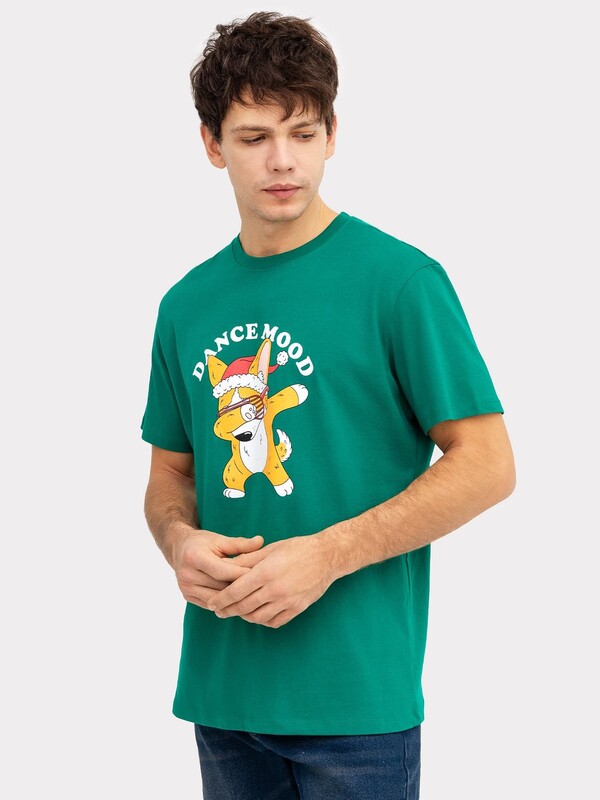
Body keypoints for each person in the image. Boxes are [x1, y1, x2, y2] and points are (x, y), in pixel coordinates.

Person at [140, 10, 516, 800]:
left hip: (356, 705)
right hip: (223, 694)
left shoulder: (400, 283)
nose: (283, 161)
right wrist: (177, 541)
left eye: (303, 133)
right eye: (254, 137)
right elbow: (170, 474)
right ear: (211, 144)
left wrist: (329, 554)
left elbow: (489, 465)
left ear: (332, 134)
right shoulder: (185, 305)